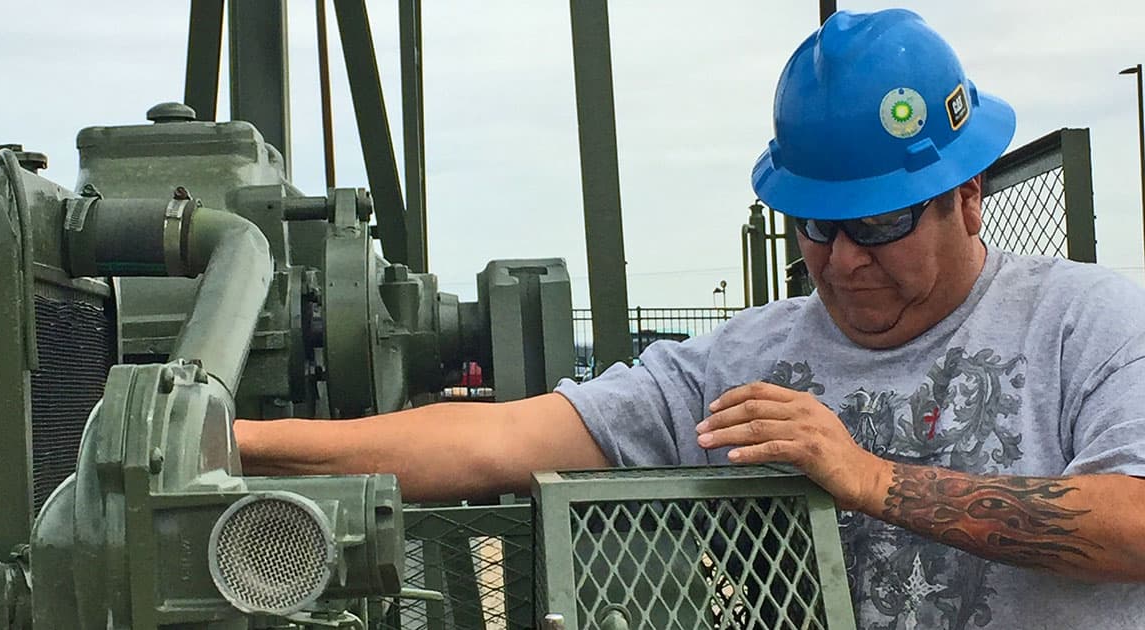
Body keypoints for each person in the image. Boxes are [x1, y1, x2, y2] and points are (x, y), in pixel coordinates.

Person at [235, 9, 1145, 629]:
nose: (843, 259)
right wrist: (237, 443)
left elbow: (1132, 527)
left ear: (969, 195)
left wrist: (870, 479)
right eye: (817, 227)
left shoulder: (1086, 324)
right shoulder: (744, 362)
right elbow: (495, 440)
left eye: (881, 223)